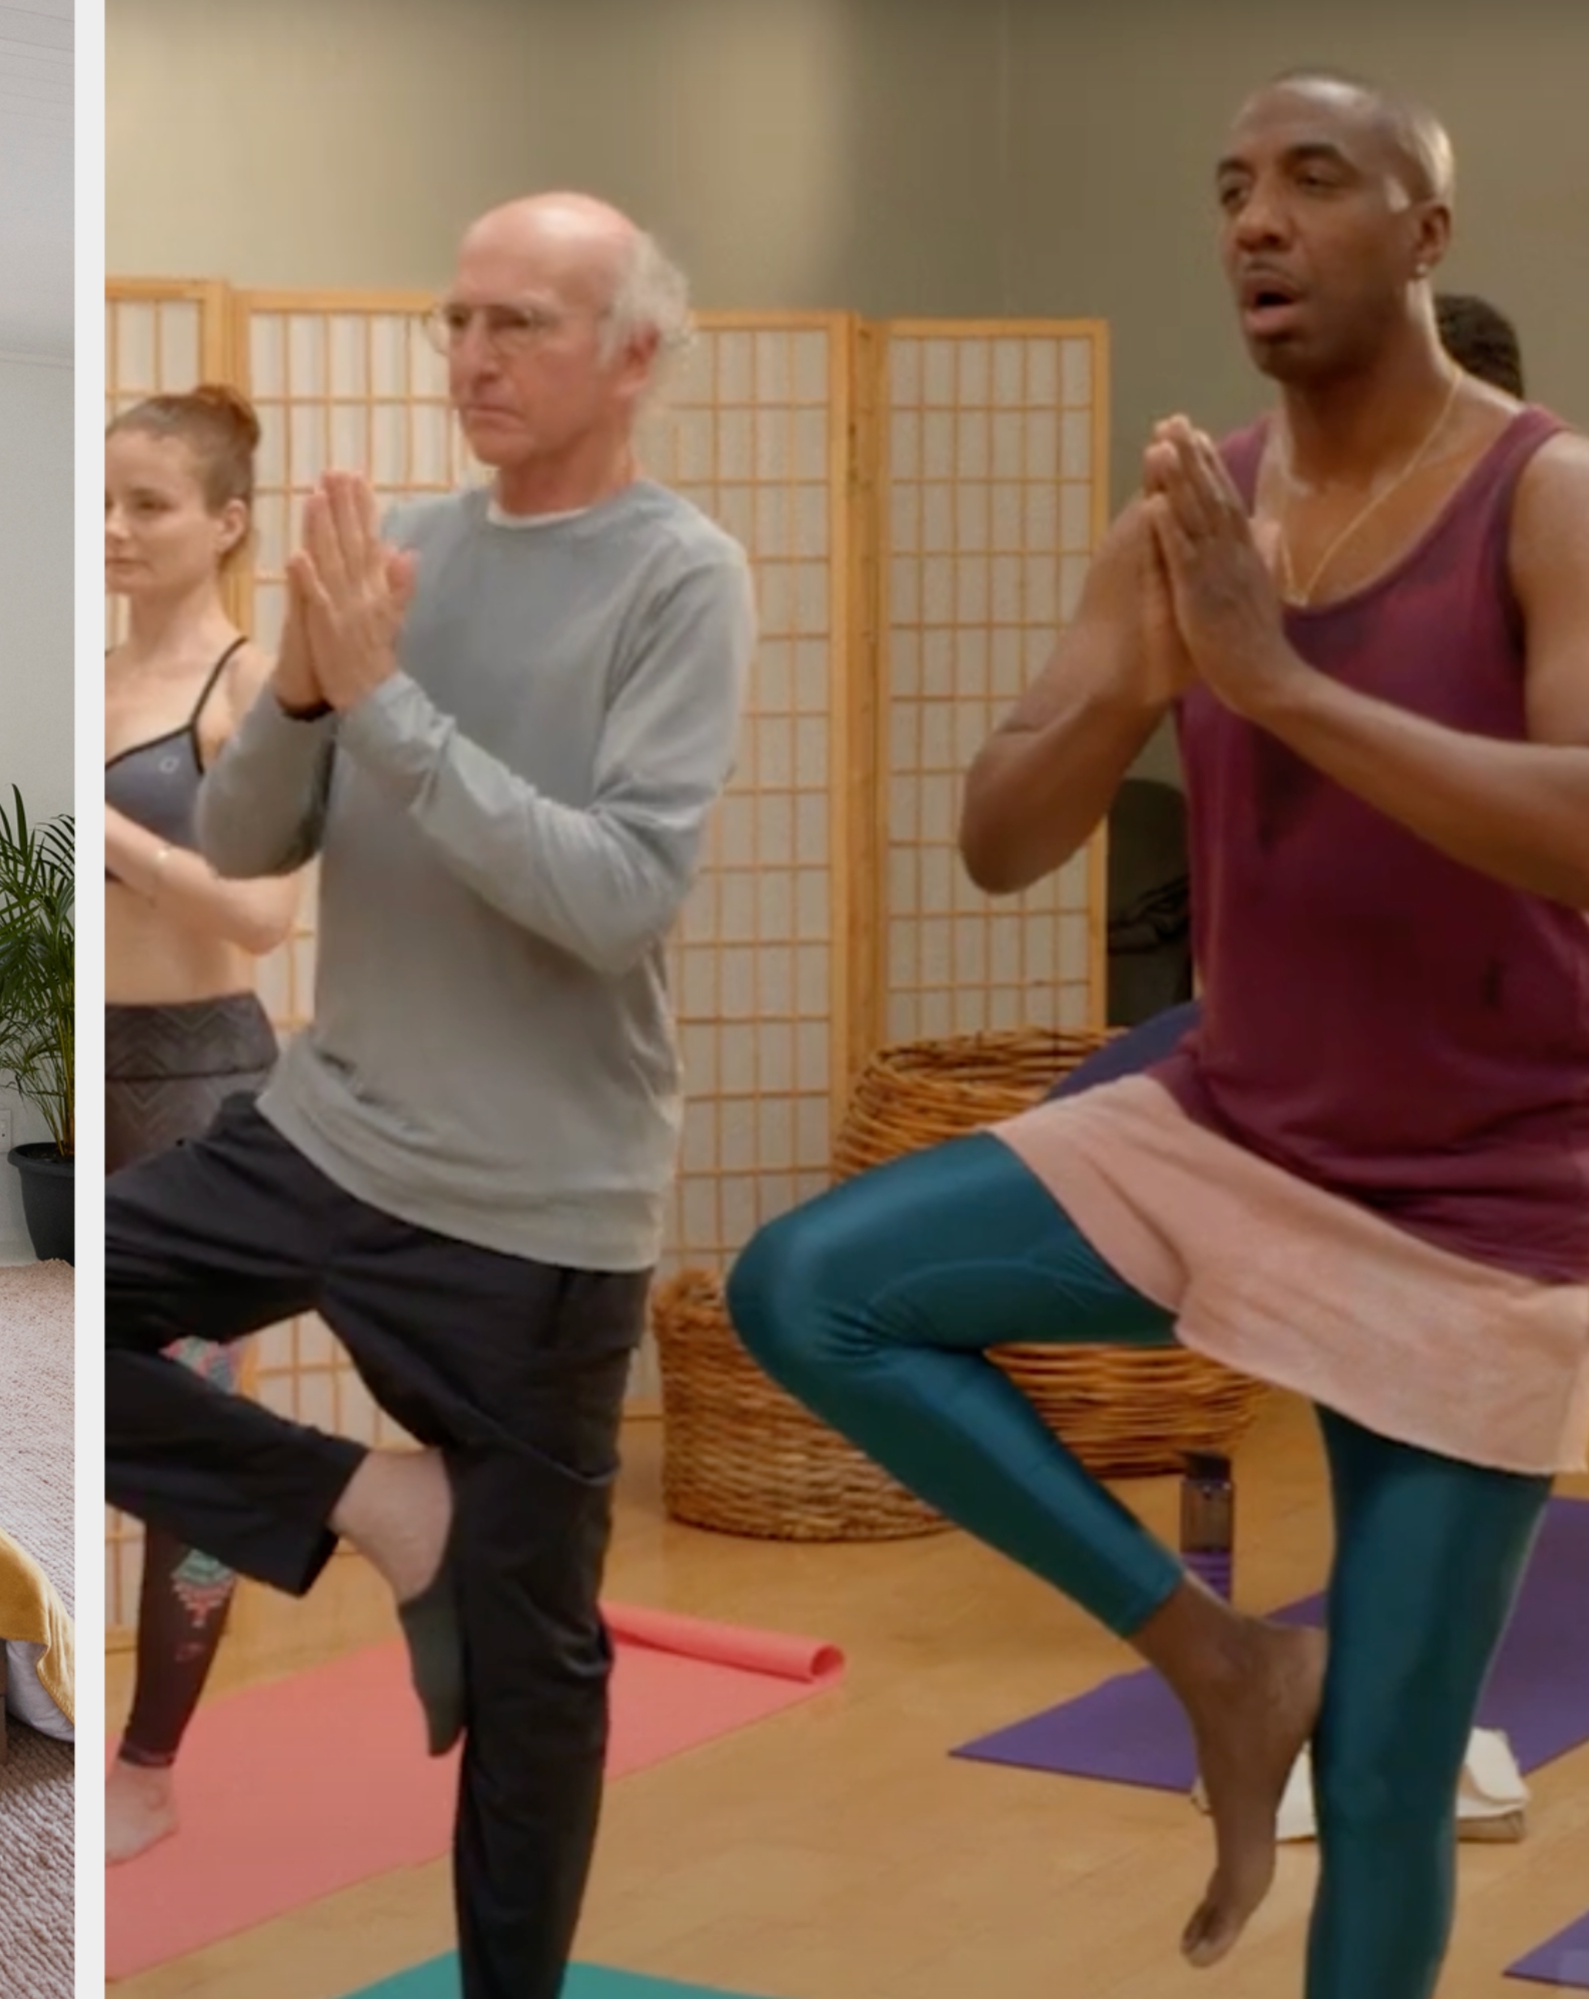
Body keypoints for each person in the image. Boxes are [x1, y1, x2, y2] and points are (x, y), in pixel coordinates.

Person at [728, 70, 1589, 1999]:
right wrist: (1144, 664)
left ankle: (1304, 1715)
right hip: (1228, 1123)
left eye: (1313, 181)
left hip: (1480, 1209)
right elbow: (997, 842)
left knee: (1383, 1783)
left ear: (1428, 232)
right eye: (1229, 190)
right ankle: (1219, 1655)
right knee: (811, 1285)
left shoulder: (1550, 493)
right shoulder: (1196, 516)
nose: (1257, 223)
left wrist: (1277, 684)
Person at [107, 192, 755, 1999]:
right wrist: (303, 699)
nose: (473, 357)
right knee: (54, 1305)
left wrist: (376, 700)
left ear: (634, 353)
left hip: (538, 1202)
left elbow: (616, 893)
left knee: (536, 1668)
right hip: (325, 1136)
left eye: (522, 323)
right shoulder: (401, 548)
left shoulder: (680, 576)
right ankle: (382, 1510)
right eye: (456, 318)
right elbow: (242, 843)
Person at [1057, 287, 1531, 1102]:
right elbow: (998, 835)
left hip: (1470, 1037)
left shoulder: (1541, 551)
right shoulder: (1241, 552)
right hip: (1261, 1030)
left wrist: (1282, 687)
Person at [100, 384, 303, 1865]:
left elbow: (265, 910)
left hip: (201, 1085)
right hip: (86, 1068)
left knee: (184, 1431)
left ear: (229, 523)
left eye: (148, 504)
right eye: (102, 502)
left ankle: (152, 1759)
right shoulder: (87, 678)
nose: (113, 530)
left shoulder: (247, 689)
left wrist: (106, 834)